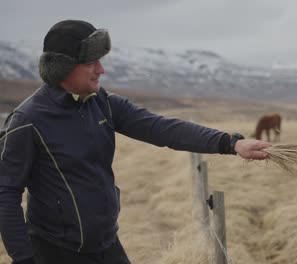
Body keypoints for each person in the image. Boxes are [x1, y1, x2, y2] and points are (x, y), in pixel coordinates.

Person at [0, 20, 272, 264]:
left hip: (107, 246)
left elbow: (163, 128)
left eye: (101, 59)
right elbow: (6, 193)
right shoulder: (28, 120)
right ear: (63, 66)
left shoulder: (102, 104)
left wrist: (230, 143)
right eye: (91, 62)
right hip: (54, 253)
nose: (101, 69)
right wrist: (24, 259)